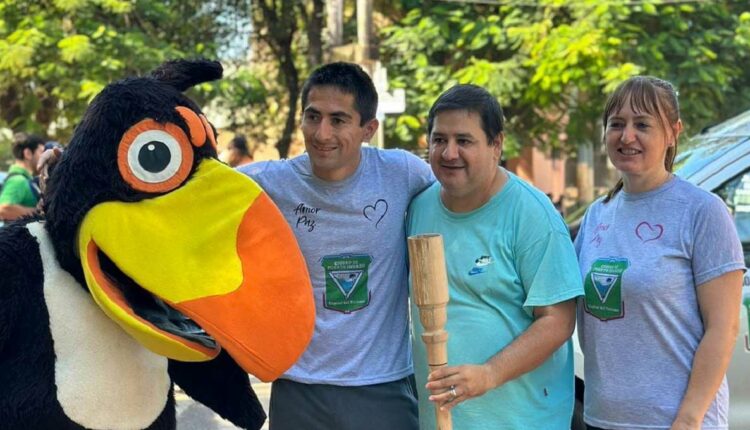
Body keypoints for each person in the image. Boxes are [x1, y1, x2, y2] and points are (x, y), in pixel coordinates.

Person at [238, 62, 434, 430]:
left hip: (383, 385)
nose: (321, 132)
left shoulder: (403, 173)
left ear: (368, 129)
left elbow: (464, 197)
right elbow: (196, 192)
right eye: (313, 116)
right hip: (299, 386)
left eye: (339, 120)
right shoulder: (267, 183)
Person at [407, 84, 583, 428]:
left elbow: (558, 321)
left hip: (521, 420)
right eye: (439, 139)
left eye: (464, 140)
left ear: (496, 145)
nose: (449, 153)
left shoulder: (532, 215)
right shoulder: (419, 207)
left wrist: (489, 374)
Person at [575, 76, 744, 430]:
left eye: (642, 124)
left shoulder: (702, 211)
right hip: (602, 418)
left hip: (674, 421)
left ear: (672, 132)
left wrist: (690, 416)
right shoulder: (597, 215)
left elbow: (723, 327)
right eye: (616, 124)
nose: (627, 136)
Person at [0, 133, 45, 222]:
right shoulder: (19, 181)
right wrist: (39, 213)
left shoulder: (25, 180)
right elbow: (4, 209)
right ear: (28, 153)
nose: (44, 156)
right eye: (41, 152)